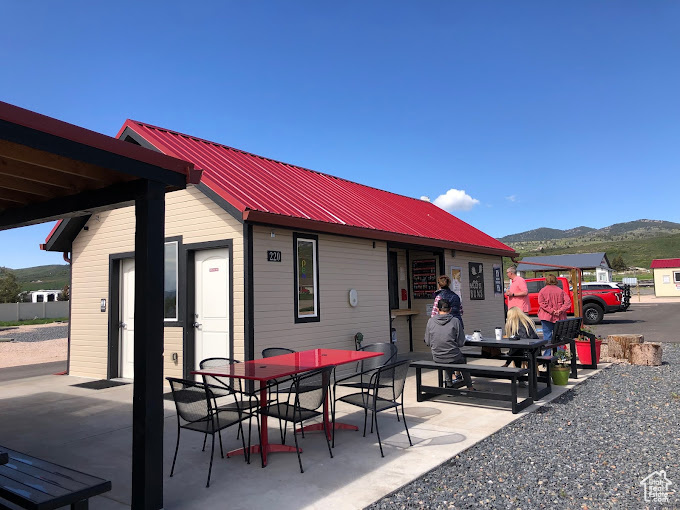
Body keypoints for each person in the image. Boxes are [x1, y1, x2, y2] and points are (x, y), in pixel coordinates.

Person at [424, 299, 474, 390]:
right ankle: (470, 386)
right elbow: (461, 342)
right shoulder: (455, 321)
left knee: (447, 357)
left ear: (438, 310)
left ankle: (449, 384)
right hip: (453, 356)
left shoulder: (430, 321)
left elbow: (427, 341)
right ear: (450, 309)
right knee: (460, 360)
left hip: (437, 356)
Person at [502, 307, 538, 387]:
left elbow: (522, 340)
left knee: (515, 352)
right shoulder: (527, 321)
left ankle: (519, 377)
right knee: (516, 351)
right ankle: (508, 363)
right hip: (535, 348)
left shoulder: (516, 324)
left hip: (527, 350)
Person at [537, 274, 572, 348]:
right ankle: (561, 355)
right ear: (556, 281)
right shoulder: (560, 291)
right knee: (560, 336)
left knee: (547, 336)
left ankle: (547, 354)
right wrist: (560, 310)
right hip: (559, 317)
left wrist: (552, 311)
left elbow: (542, 303)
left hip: (546, 316)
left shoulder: (542, 291)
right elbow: (568, 302)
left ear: (546, 281)